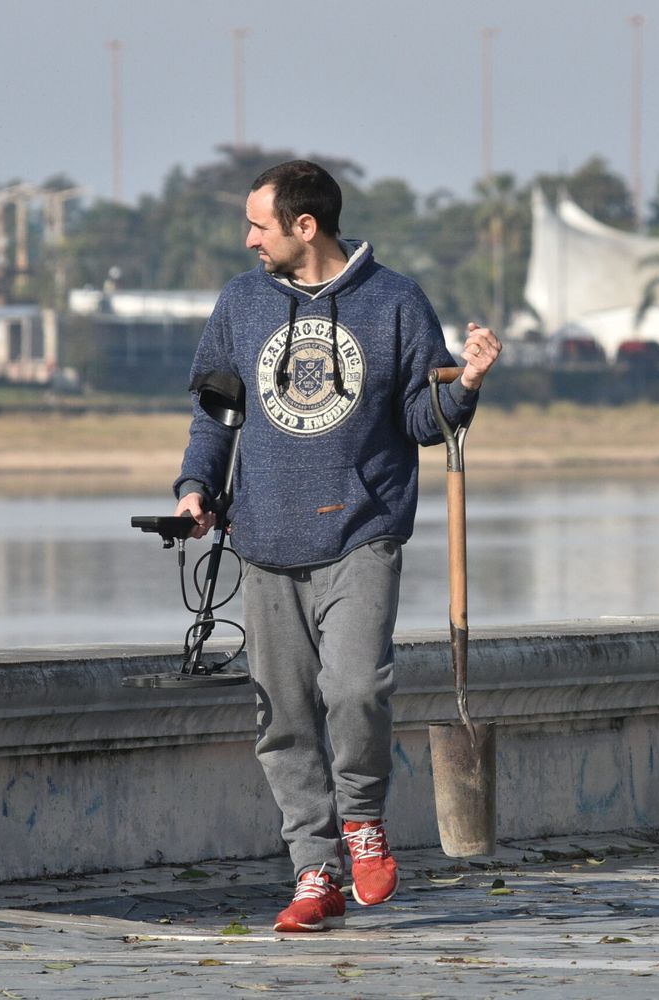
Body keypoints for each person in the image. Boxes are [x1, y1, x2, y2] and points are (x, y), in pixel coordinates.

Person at [172, 160, 502, 932]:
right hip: (262, 538)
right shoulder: (240, 302)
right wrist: (195, 487)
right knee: (282, 717)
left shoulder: (394, 301)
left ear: (304, 226)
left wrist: (469, 385)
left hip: (362, 531)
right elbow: (215, 413)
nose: (248, 239)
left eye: (259, 225)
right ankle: (314, 872)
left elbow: (426, 423)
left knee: (355, 689)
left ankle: (362, 821)